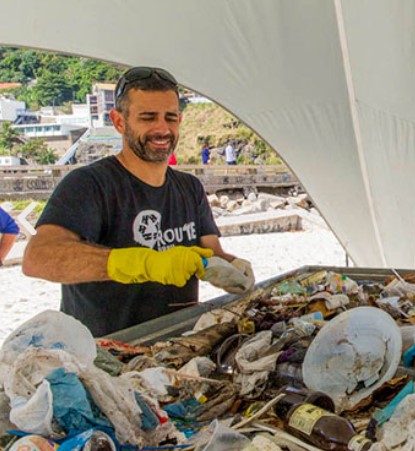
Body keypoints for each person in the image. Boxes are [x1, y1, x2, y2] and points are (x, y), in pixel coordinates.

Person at [22, 66, 255, 337]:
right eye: (148, 118)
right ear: (119, 122)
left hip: (181, 343)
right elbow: (38, 258)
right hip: (109, 352)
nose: (162, 129)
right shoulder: (89, 185)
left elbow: (211, 251)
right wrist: (143, 264)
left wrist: (231, 266)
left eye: (170, 118)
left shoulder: (189, 187)